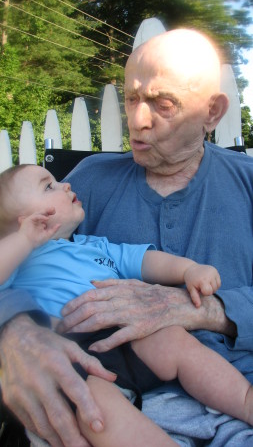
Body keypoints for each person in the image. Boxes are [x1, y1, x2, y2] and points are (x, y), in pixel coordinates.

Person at [1, 27, 253, 447]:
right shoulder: (89, 182)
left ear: (212, 112)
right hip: (112, 397)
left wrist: (206, 310)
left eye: (162, 103)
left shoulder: (248, 184)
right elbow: (18, 253)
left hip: (235, 403)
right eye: (132, 98)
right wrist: (13, 332)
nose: (137, 119)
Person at [3, 164, 253, 447]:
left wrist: (188, 270)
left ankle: (244, 400)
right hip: (71, 353)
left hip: (124, 335)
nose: (66, 185)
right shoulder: (19, 258)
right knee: (88, 400)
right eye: (49, 186)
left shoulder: (92, 245)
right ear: (22, 220)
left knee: (172, 339)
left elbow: (143, 261)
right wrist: (22, 239)